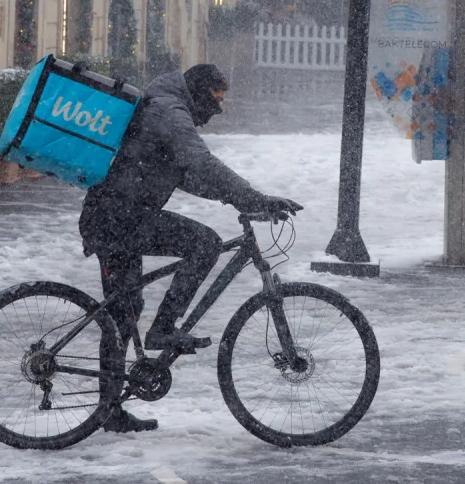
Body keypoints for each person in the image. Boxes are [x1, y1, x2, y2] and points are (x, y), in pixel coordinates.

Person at [78, 63, 302, 434]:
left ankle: (109, 411)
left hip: (118, 216)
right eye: (216, 99)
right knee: (204, 243)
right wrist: (253, 197)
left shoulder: (165, 105)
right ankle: (163, 328)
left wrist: (241, 200)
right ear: (198, 92)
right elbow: (201, 162)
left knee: (122, 313)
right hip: (118, 218)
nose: (219, 109)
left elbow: (189, 176)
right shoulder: (170, 111)